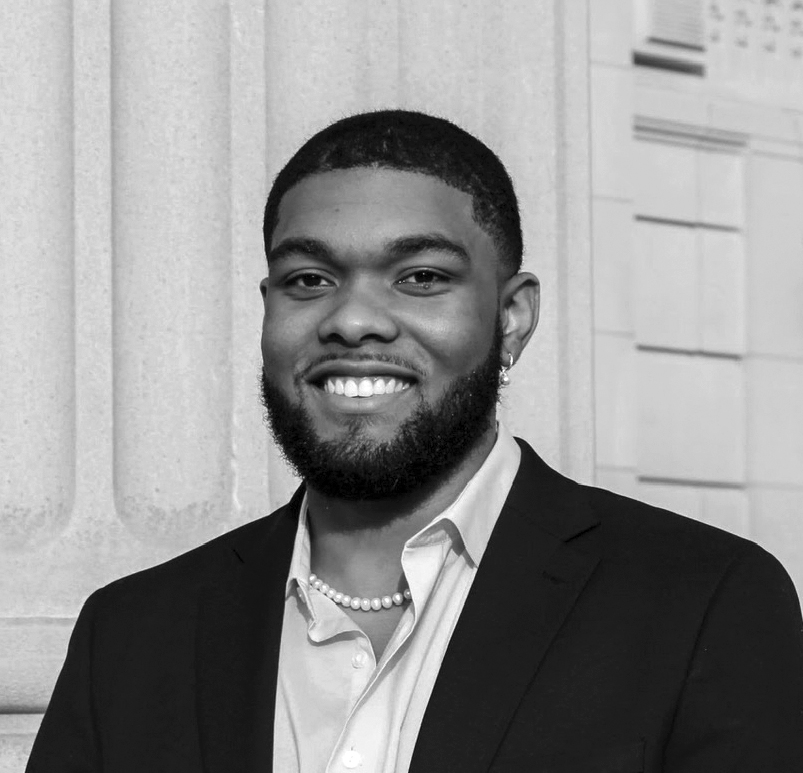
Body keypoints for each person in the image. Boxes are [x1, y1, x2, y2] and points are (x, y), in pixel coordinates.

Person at [27, 110, 803, 773]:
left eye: (420, 276)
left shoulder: (701, 602)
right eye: (308, 280)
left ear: (512, 319)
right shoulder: (131, 635)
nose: (353, 319)